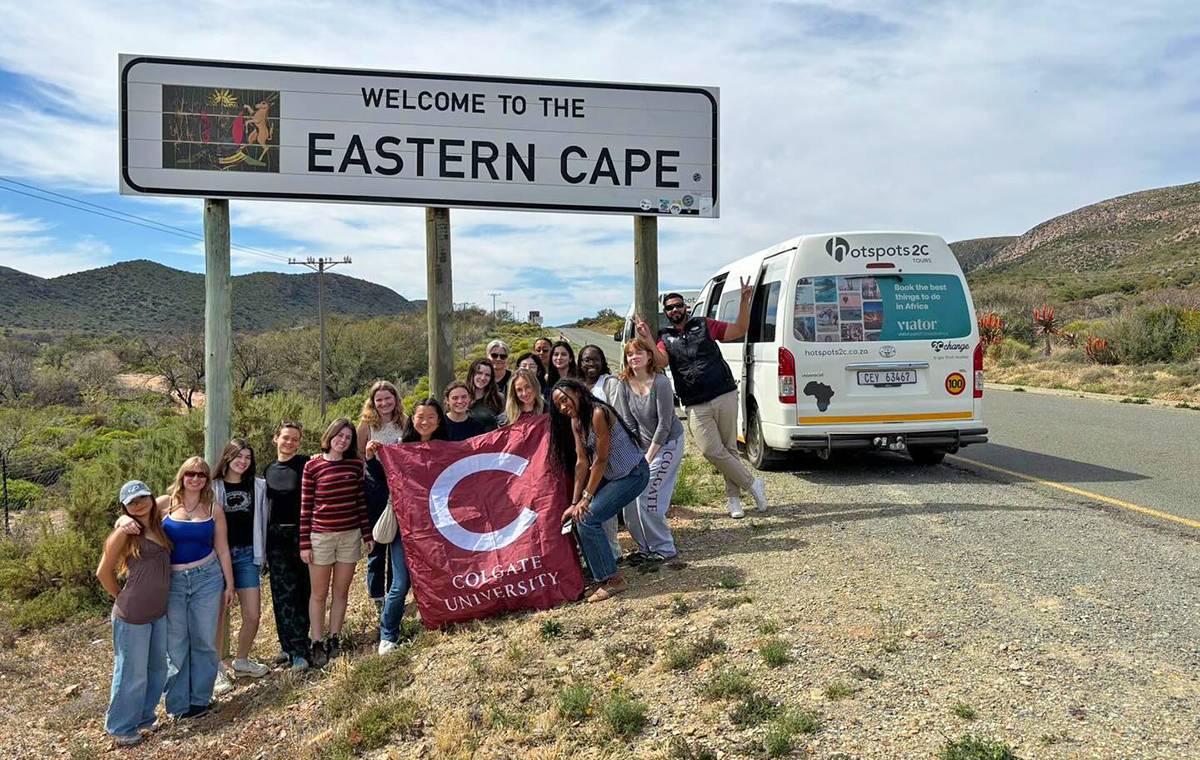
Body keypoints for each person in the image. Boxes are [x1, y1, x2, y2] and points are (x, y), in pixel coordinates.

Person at [637, 288, 768, 519]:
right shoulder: (665, 338)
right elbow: (660, 362)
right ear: (666, 312)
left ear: (685, 308)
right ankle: (752, 483)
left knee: (728, 449)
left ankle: (734, 499)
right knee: (710, 450)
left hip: (723, 393)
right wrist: (647, 338)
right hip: (695, 403)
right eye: (670, 307)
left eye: (678, 305)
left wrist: (745, 303)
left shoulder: (704, 324)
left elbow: (738, 330)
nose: (675, 309)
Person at [125, 457, 234, 719]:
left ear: (207, 480)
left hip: (207, 578)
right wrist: (121, 523)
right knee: (175, 644)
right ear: (182, 476)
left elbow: (222, 548)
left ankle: (200, 699)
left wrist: (230, 584)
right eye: (190, 474)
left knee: (204, 640)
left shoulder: (213, 509)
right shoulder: (165, 504)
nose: (195, 479)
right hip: (172, 581)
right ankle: (177, 704)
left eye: (201, 475)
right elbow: (133, 514)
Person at [549, 379, 649, 603]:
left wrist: (587, 497)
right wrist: (575, 502)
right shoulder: (576, 421)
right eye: (559, 406)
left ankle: (613, 580)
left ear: (577, 391)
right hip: (614, 475)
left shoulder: (597, 413)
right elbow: (582, 462)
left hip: (633, 473)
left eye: (565, 400)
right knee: (578, 517)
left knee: (588, 519)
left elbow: (601, 460)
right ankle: (601, 576)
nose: (564, 407)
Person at [97, 481, 171, 747]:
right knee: (131, 672)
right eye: (131, 502)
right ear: (124, 507)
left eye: (142, 497)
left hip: (159, 612)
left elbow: (168, 496)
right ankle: (120, 726)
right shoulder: (125, 532)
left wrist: (128, 515)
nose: (138, 504)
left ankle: (143, 718)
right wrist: (121, 597)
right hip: (132, 614)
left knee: (157, 669)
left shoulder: (159, 523)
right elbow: (102, 572)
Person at [375, 398, 448, 654]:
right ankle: (387, 635)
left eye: (431, 417)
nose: (425, 421)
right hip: (406, 526)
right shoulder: (399, 448)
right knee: (401, 582)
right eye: (420, 417)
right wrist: (375, 453)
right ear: (412, 420)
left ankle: (442, 617)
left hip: (439, 524)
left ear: (439, 421)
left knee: (439, 573)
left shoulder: (447, 449)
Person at [301, 418, 373, 667]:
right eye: (339, 436)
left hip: (350, 536)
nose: (343, 441)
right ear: (329, 436)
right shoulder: (313, 466)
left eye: (348, 437)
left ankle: (335, 638)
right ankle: (317, 641)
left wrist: (367, 534)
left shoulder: (355, 465)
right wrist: (304, 544)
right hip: (320, 537)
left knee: (341, 592)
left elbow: (360, 503)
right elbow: (306, 507)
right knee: (318, 594)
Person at [614, 338, 684, 564]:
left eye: (638, 353)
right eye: (629, 354)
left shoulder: (661, 383)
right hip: (642, 447)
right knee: (630, 500)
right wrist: (635, 456)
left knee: (648, 495)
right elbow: (628, 422)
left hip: (667, 444)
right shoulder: (625, 383)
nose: (633, 358)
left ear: (649, 356)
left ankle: (664, 548)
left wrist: (647, 457)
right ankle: (645, 547)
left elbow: (664, 425)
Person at [210, 439, 270, 693]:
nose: (242, 461)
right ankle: (215, 671)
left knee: (253, 615)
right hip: (216, 558)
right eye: (238, 456)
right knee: (218, 617)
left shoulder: (259, 486)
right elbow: (177, 496)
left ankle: (242, 660)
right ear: (227, 457)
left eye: (247, 457)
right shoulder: (212, 487)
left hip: (248, 555)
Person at [263, 421, 312, 671]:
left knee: (304, 591)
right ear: (276, 439)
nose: (290, 442)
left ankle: (302, 646)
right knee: (282, 595)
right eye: (285, 437)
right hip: (276, 539)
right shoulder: (267, 470)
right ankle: (289, 647)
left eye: (295, 439)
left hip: (303, 536)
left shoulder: (306, 464)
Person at [356, 381, 406, 613]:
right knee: (377, 543)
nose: (384, 403)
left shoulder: (403, 423)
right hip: (374, 489)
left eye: (388, 398)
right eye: (379, 399)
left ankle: (394, 591)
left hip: (399, 487)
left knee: (396, 540)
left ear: (395, 399)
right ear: (372, 402)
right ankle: (376, 595)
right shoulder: (366, 425)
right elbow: (357, 456)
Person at [577, 344, 623, 561]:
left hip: (611, 452)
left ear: (602, 361)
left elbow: (617, 415)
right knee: (592, 502)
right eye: (586, 360)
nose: (591, 364)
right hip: (588, 454)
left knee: (607, 506)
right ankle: (596, 552)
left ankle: (613, 552)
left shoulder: (610, 383)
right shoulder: (578, 387)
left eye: (595, 359)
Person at [466, 358, 502, 432]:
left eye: (487, 375)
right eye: (479, 373)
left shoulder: (498, 398)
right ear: (472, 374)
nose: (483, 378)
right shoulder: (461, 397)